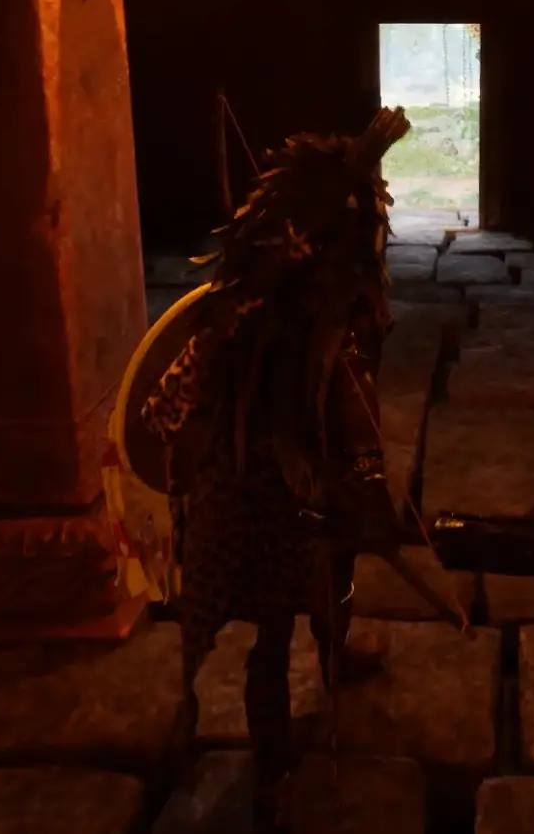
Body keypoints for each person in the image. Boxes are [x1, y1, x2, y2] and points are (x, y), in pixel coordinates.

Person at [132, 107, 424, 831]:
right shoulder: (290, 327)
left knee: (301, 611)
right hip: (281, 502)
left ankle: (320, 679)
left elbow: (165, 414)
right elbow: (168, 416)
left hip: (259, 499)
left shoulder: (247, 317)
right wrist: (368, 490)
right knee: (289, 616)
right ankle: (275, 764)